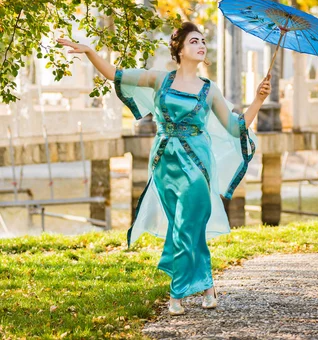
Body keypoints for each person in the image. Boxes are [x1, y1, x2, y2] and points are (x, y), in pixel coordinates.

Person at [57, 22, 271, 315]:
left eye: (203, 42)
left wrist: (257, 100)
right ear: (180, 49)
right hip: (163, 165)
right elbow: (116, 75)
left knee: (186, 224)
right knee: (184, 227)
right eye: (194, 41)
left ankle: (177, 294)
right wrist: (90, 52)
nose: (201, 45)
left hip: (197, 166)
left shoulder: (209, 90)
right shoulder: (160, 80)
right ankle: (207, 285)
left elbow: (235, 128)